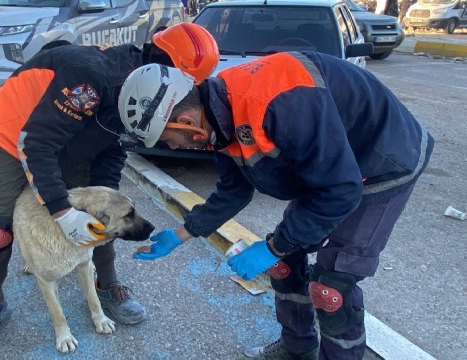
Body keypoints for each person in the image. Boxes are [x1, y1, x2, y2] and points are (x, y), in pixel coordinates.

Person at [118, 51, 434, 359]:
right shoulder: (219, 116)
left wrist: (274, 246)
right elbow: (234, 190)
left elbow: (340, 189)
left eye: (168, 139)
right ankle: (297, 348)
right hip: (329, 168)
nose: (172, 147)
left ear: (187, 121)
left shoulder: (278, 105)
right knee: (283, 264)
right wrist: (183, 232)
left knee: (332, 287)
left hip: (384, 159)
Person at [0, 22, 219, 348]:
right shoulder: (92, 79)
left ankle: (106, 285)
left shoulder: (149, 98)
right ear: (166, 69)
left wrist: (106, 199)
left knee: (104, 213)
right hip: (14, 135)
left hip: (70, 139)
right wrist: (63, 212)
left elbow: (113, 149)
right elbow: (37, 146)